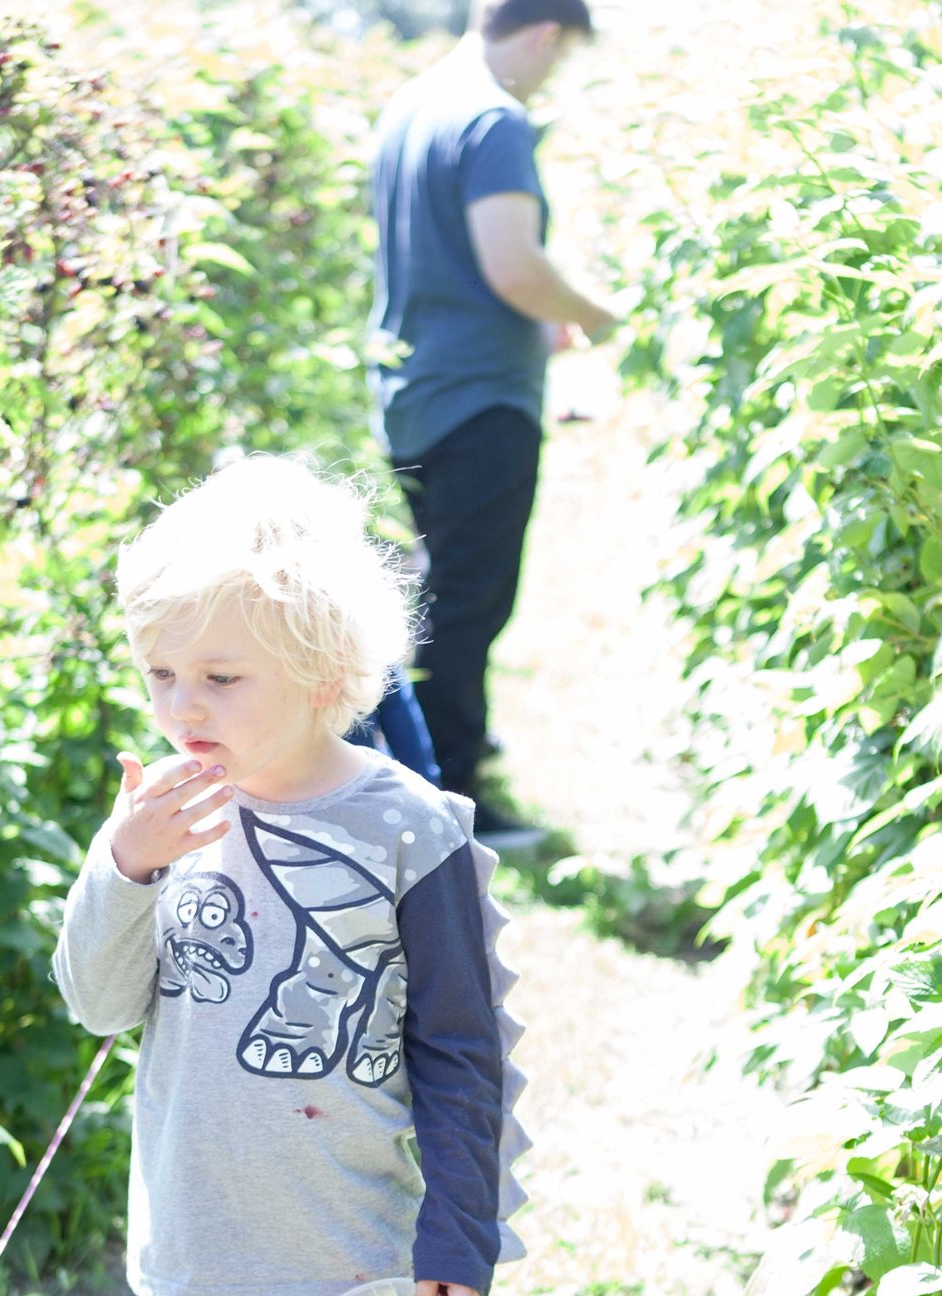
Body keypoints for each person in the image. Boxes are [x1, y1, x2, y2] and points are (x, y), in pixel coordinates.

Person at [52, 456, 529, 1296]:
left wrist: (459, 1230)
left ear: (323, 677)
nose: (181, 707)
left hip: (359, 1261)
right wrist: (123, 864)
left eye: (219, 676)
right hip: (196, 1260)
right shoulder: (162, 819)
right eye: (160, 673)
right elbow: (98, 1004)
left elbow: (464, 1050)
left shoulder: (410, 829)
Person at [365, 0, 617, 830]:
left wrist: (537, 317)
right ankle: (449, 802)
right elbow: (512, 262)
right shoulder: (495, 119)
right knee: (468, 606)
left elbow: (446, 254)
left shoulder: (415, 103)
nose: (553, 75)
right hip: (481, 398)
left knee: (444, 596)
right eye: (562, 57)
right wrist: (591, 309)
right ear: (545, 34)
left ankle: (435, 767)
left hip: (415, 388)